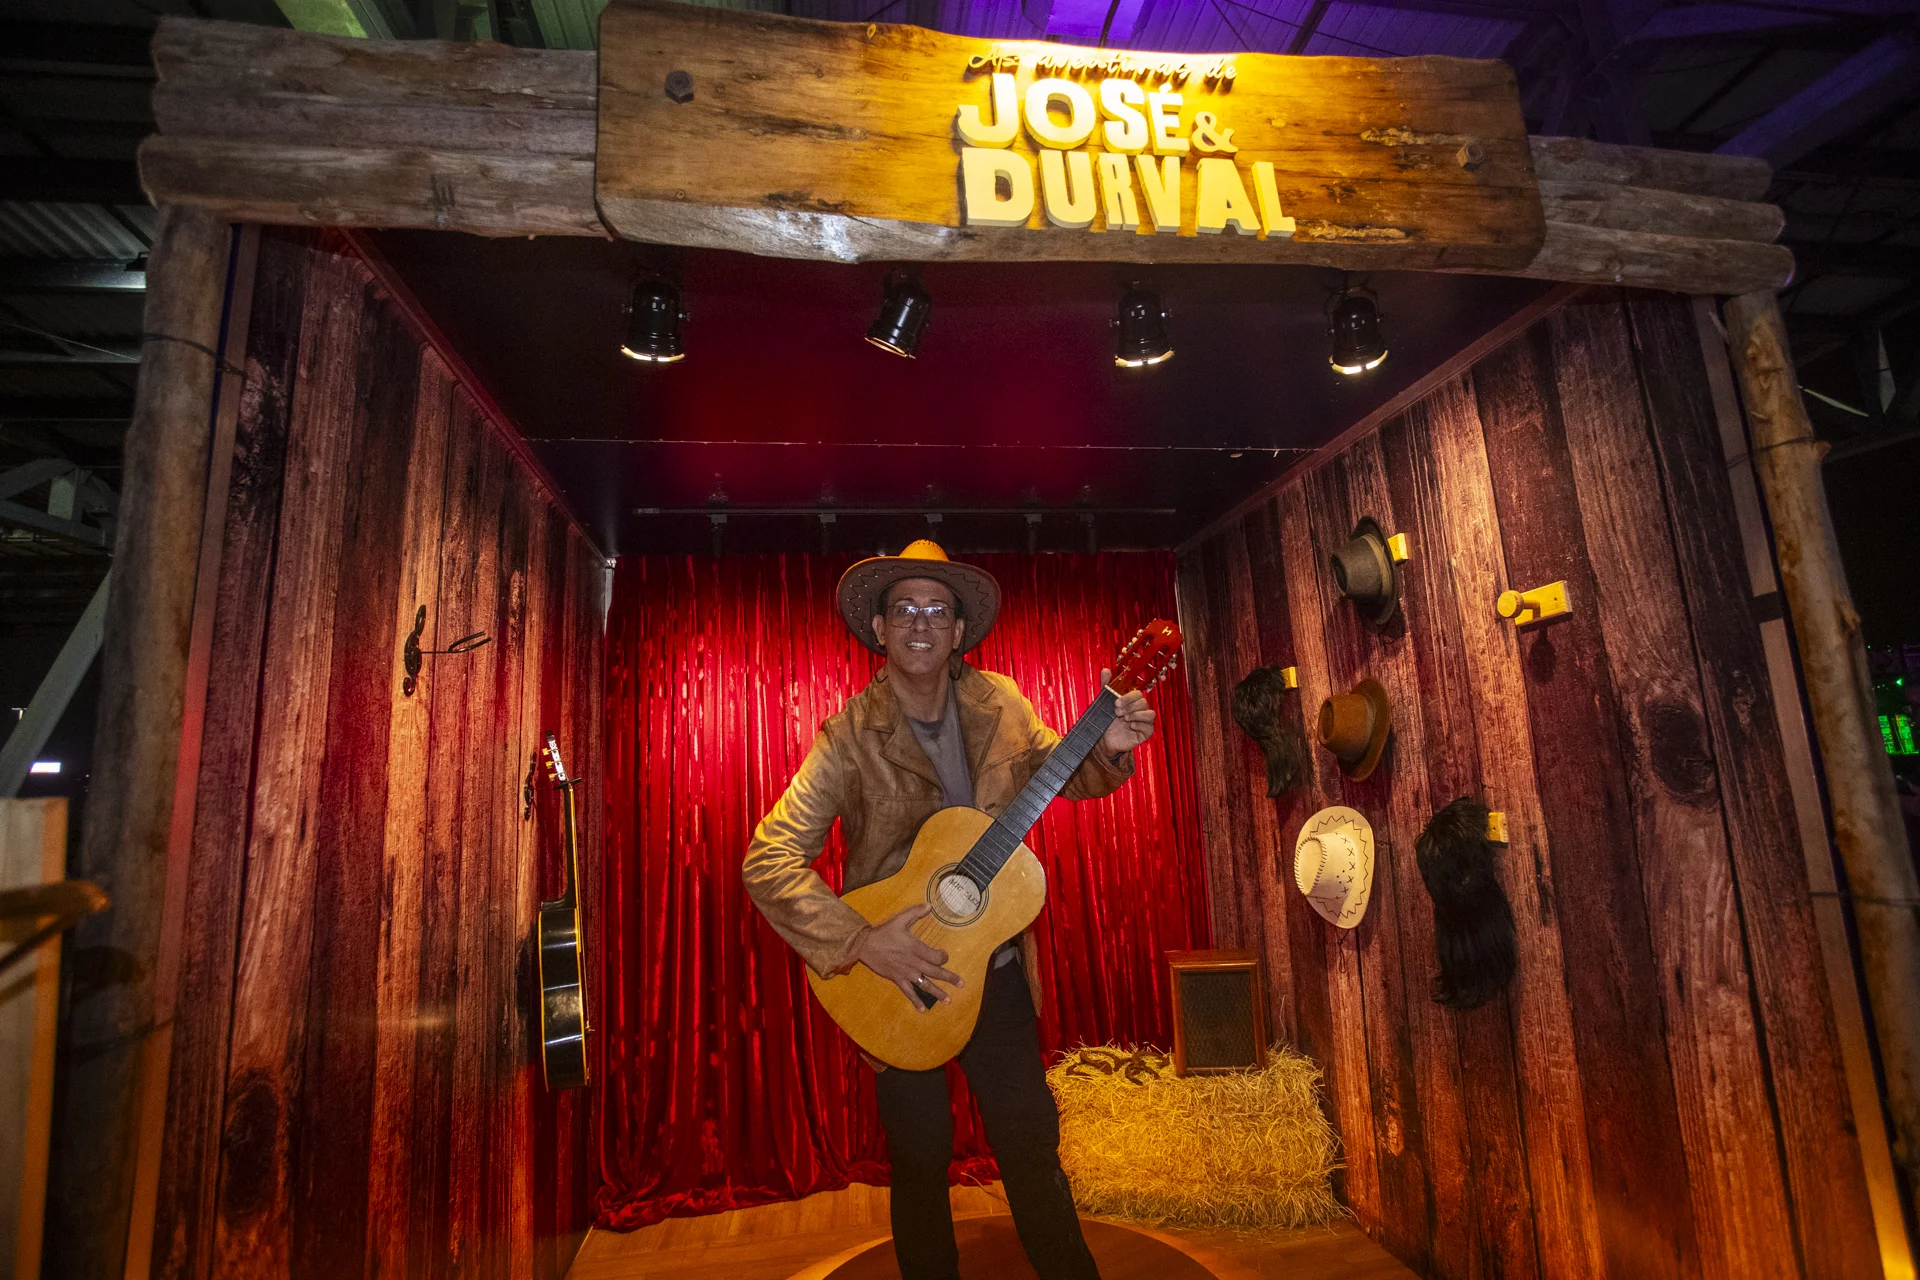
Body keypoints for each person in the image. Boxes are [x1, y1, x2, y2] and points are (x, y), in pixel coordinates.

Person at [742, 540, 1156, 1280]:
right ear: (880, 629)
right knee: (920, 1157)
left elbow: (1061, 775)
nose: (921, 622)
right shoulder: (848, 737)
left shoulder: (1003, 704)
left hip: (994, 972)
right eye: (904, 608)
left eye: (938, 610)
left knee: (1031, 1143)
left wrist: (1109, 748)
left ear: (959, 630)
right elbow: (767, 859)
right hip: (898, 983)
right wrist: (861, 941)